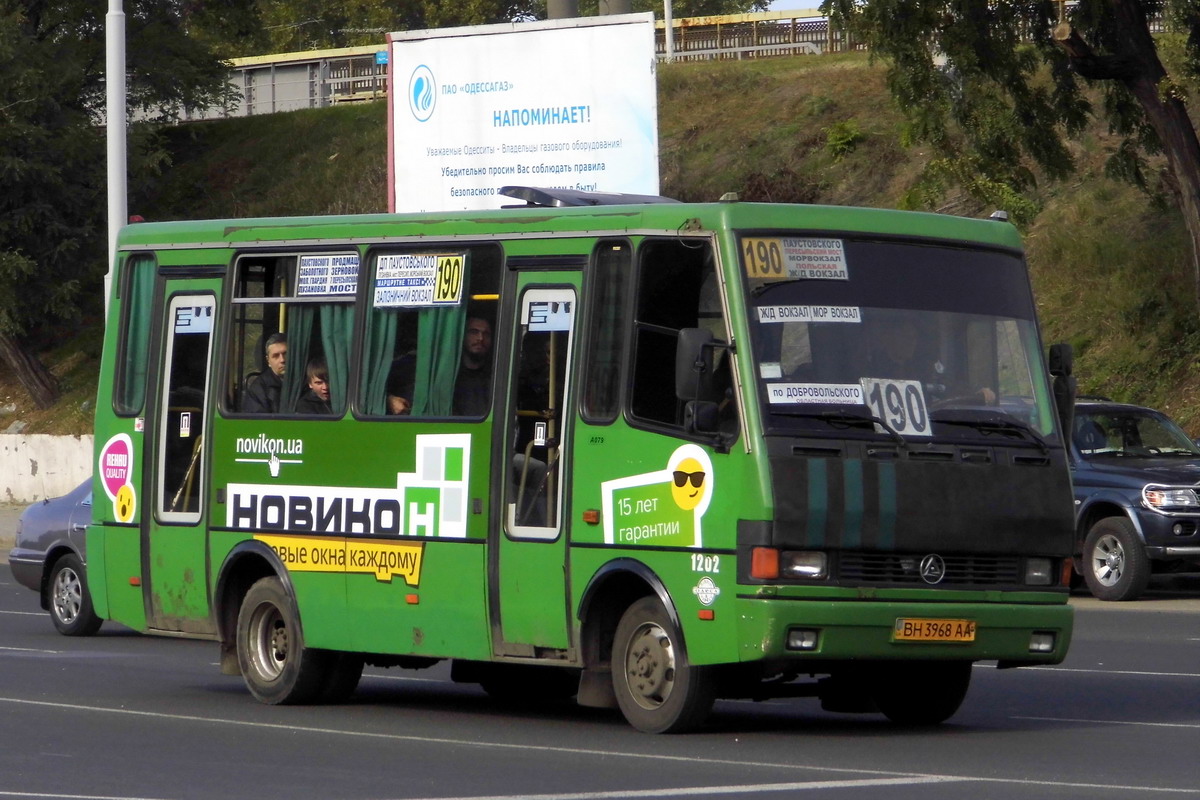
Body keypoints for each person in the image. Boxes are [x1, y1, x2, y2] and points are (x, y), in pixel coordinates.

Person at [866, 316, 995, 405]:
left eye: (914, 337)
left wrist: (977, 392)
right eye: (904, 335)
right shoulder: (873, 368)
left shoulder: (922, 368)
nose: (911, 341)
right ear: (888, 337)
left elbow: (947, 387)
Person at [385, 314, 494, 416]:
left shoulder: (495, 378)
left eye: (486, 334)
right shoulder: (428, 367)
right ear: (462, 335)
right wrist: (389, 401)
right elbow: (372, 389)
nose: (480, 338)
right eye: (474, 332)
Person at [242, 332, 287, 413]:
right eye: (276, 356)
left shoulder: (309, 382)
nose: (282, 360)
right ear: (268, 361)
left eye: (286, 354)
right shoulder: (258, 389)